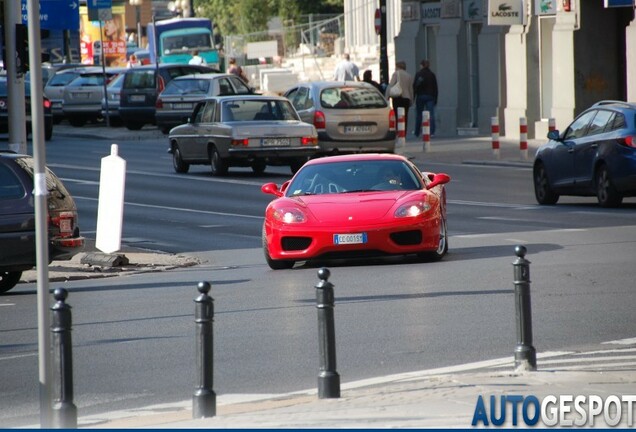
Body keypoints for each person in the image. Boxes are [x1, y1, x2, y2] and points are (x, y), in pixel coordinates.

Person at [386, 61, 414, 133]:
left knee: (397, 115)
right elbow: (410, 89)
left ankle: (399, 131)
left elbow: (390, 85)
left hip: (398, 97)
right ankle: (404, 132)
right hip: (406, 98)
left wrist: (387, 96)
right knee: (405, 116)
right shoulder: (409, 75)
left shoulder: (396, 74)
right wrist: (411, 99)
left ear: (398, 66)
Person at [413, 59, 438, 137]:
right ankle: (432, 132)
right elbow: (435, 87)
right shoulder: (432, 74)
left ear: (422, 65)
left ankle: (417, 131)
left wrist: (413, 97)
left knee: (419, 114)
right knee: (431, 114)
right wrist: (435, 99)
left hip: (420, 96)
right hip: (430, 96)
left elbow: (415, 86)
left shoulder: (418, 74)